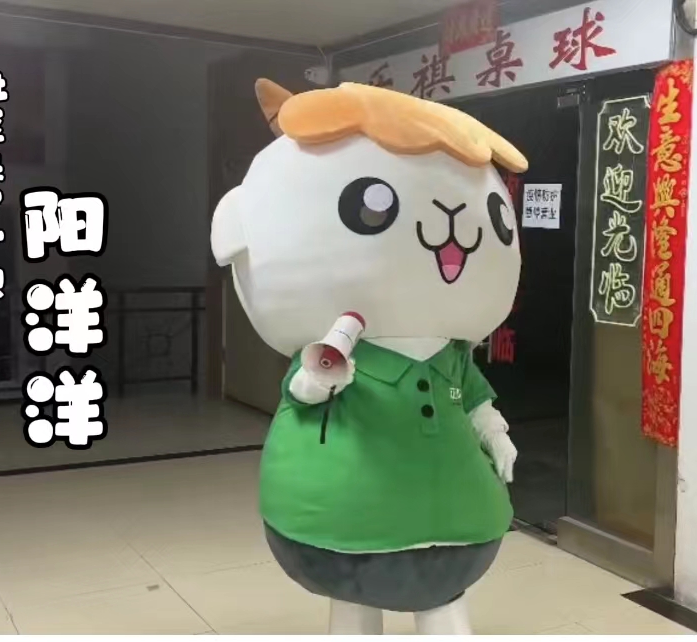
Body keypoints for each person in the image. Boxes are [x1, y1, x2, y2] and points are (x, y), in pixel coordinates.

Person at [211, 78, 529, 635]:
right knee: (357, 609)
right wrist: (320, 377)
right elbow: (304, 390)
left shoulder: (453, 353)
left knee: (443, 603)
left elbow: (477, 403)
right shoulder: (337, 347)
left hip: (458, 518)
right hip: (348, 525)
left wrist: (496, 434)